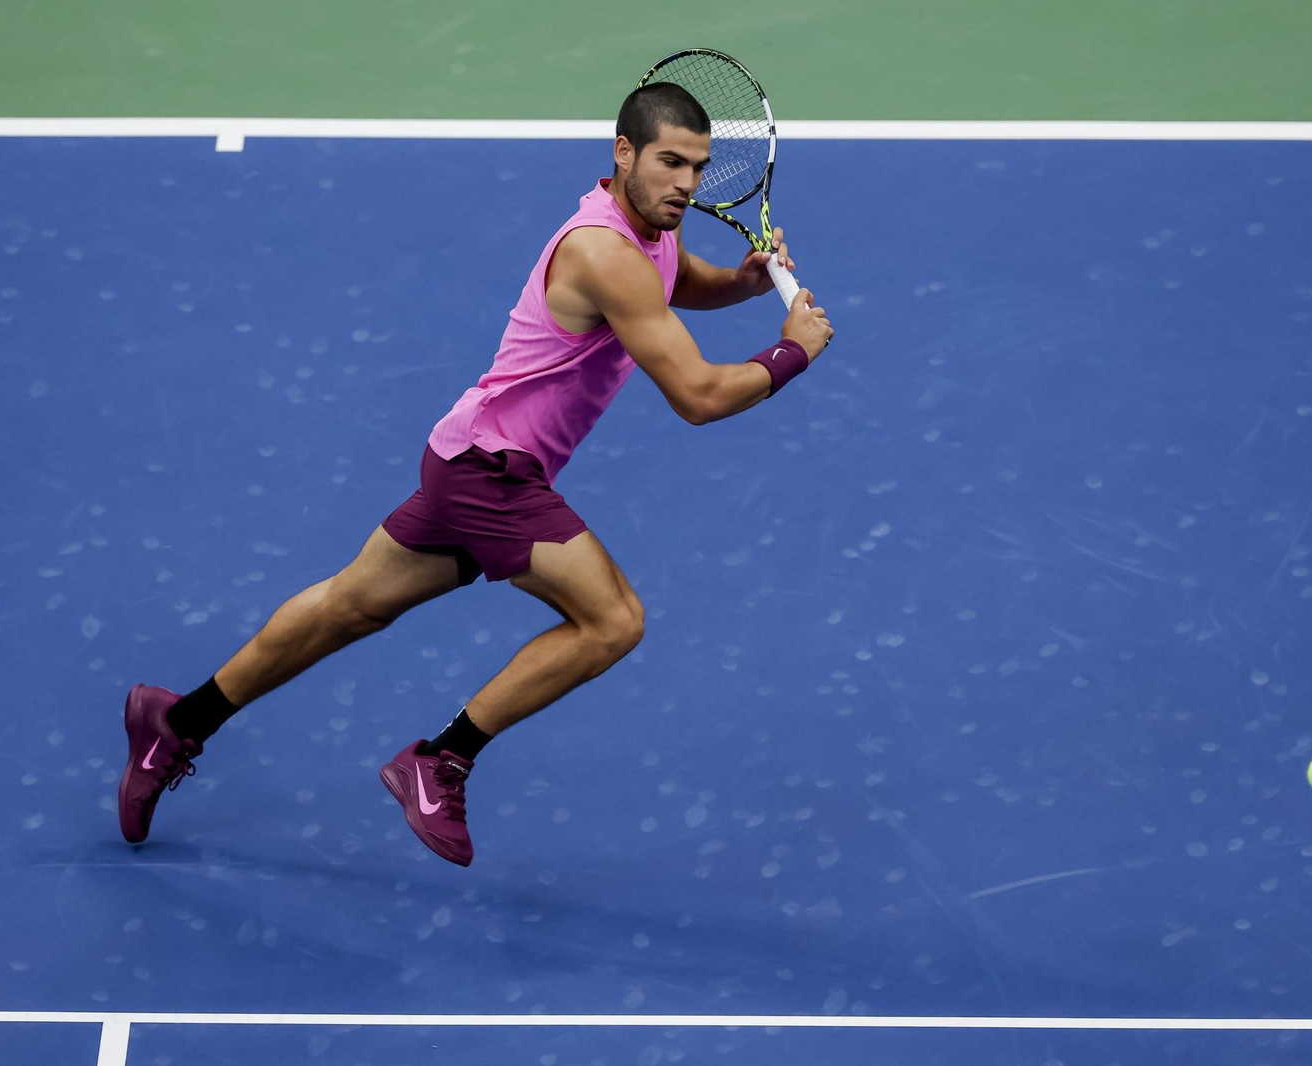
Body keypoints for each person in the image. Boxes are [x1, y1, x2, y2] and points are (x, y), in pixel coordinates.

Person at [117, 82, 833, 867]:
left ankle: (177, 721)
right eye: (670, 163)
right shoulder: (602, 252)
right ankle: (442, 759)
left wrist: (743, 282)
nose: (687, 185)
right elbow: (698, 396)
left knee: (346, 608)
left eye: (697, 167)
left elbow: (678, 280)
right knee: (613, 620)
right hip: (492, 474)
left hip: (464, 452)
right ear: (622, 152)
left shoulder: (647, 230)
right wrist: (790, 350)